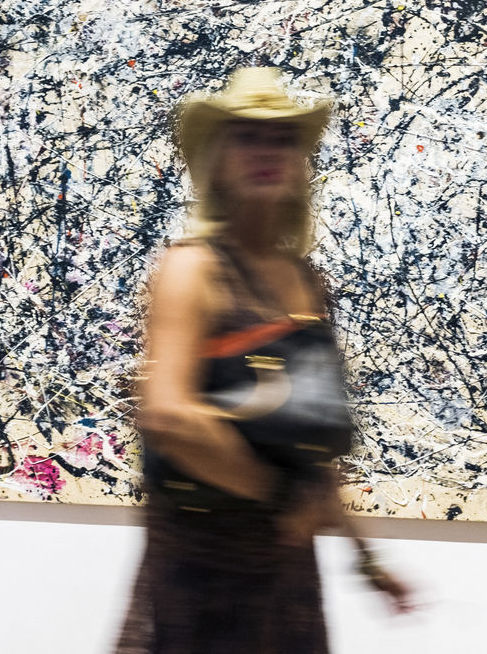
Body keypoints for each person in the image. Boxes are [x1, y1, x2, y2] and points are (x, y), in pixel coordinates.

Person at [114, 67, 413, 654]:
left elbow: (312, 453)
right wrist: (277, 497)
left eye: (282, 139)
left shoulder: (306, 281)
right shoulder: (192, 268)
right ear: (219, 159)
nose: (266, 151)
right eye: (247, 136)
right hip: (203, 565)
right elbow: (169, 416)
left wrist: (366, 559)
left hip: (284, 571)